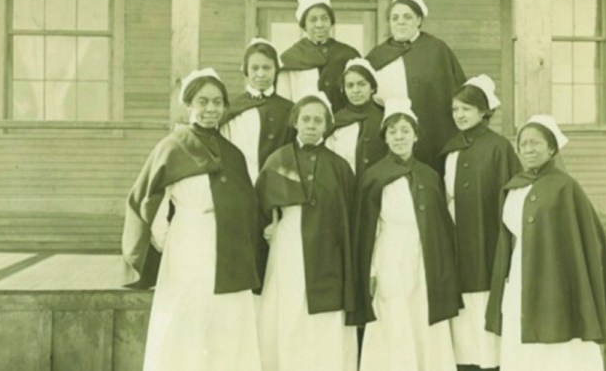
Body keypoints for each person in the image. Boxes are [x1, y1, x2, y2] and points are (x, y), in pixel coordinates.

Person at [122, 68, 263, 371]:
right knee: (187, 313)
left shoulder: (232, 153)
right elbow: (150, 200)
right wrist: (167, 239)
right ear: (188, 104)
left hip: (230, 247)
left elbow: (246, 203)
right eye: (203, 101)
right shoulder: (173, 146)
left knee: (226, 317)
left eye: (217, 102)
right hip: (189, 241)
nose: (211, 109)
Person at [484, 115, 606, 371]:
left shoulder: (565, 187)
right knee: (522, 340)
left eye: (535, 143)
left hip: (556, 281)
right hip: (519, 276)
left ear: (551, 148)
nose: (528, 149)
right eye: (523, 144)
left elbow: (587, 241)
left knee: (558, 343)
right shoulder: (513, 188)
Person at [350, 97, 461, 371]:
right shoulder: (374, 176)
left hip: (424, 256)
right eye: (392, 131)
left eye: (405, 130)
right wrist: (371, 270)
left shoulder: (428, 175)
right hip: (390, 254)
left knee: (423, 313)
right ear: (385, 138)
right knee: (394, 313)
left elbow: (440, 226)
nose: (399, 137)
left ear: (416, 135)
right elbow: (367, 229)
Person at [254, 92, 358, 371]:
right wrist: (269, 224)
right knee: (288, 308)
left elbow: (350, 215)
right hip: (288, 245)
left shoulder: (340, 167)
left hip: (328, 252)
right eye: (306, 119)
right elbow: (259, 208)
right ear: (295, 122)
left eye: (318, 120)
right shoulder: (277, 160)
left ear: (327, 125)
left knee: (324, 316)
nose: (311, 125)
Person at [439, 75, 522, 371]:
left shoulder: (498, 147)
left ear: (483, 111)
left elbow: (510, 196)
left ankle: (490, 364)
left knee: (484, 300)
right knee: (463, 309)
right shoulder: (451, 150)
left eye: (466, 109)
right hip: (457, 238)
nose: (459, 115)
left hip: (487, 238)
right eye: (455, 109)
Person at [366, 0, 466, 171]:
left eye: (407, 17)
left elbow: (460, 92)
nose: (400, 22)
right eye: (395, 18)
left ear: (419, 20)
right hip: (392, 137)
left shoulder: (437, 50)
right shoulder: (377, 55)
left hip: (432, 135)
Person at [221, 38, 294, 184]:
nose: (261, 74)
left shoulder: (289, 109)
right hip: (241, 183)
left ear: (276, 69)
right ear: (246, 70)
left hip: (278, 185)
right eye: (255, 68)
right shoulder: (231, 109)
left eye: (267, 68)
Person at [278, 0, 361, 112]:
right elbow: (283, 103)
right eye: (313, 20)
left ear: (331, 22)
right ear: (304, 25)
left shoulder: (348, 55)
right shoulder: (290, 58)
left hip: (342, 122)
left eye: (324, 18)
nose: (319, 25)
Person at [324, 57, 387, 177]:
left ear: (372, 88)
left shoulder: (384, 120)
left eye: (362, 84)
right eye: (350, 85)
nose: (356, 90)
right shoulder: (335, 121)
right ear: (343, 89)